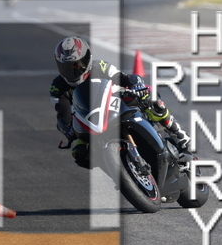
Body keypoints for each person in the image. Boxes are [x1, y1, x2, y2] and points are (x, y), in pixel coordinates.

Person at [49, 36, 191, 167]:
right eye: (66, 67)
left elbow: (125, 78)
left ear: (87, 59)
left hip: (117, 104)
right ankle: (118, 170)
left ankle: (178, 134)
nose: (73, 71)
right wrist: (67, 129)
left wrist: (136, 85)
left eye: (77, 65)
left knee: (150, 96)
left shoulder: (100, 66)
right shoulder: (57, 87)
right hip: (90, 122)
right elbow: (62, 114)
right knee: (79, 153)